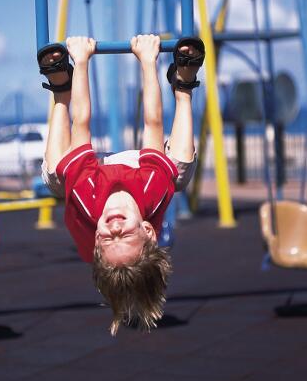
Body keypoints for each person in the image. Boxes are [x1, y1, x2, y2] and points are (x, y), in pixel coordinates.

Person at [39, 34, 204, 335]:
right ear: (148, 229)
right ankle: (183, 85)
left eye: (107, 240)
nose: (114, 230)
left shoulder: (86, 198)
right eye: (124, 235)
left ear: (96, 241)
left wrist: (82, 60)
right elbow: (153, 124)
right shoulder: (153, 192)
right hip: (133, 169)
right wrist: (147, 60)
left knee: (54, 176)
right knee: (179, 171)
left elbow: (83, 124)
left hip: (91, 176)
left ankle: (60, 88)